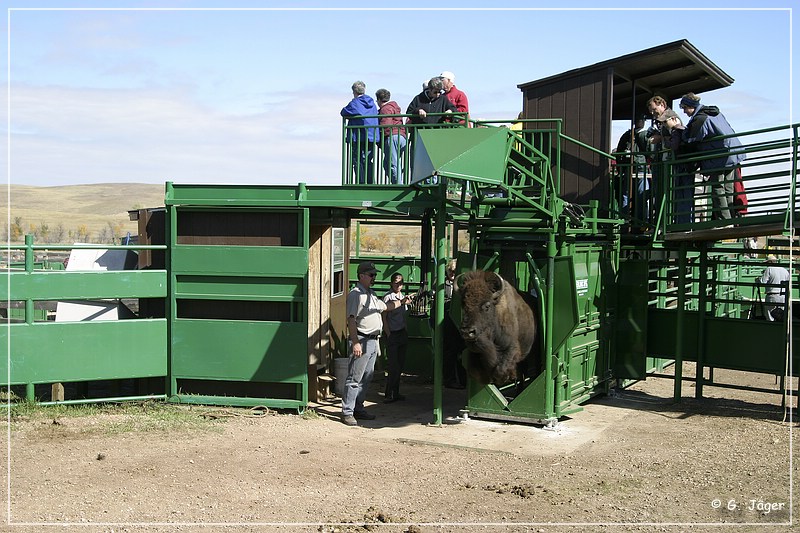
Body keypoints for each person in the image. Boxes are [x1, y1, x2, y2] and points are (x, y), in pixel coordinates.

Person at [342, 261, 412, 426]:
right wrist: (356, 342)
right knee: (355, 377)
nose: (374, 277)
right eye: (371, 275)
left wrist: (402, 302)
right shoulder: (355, 295)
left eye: (375, 274)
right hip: (363, 339)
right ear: (362, 276)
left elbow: (386, 307)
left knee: (366, 377)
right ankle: (347, 412)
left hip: (372, 341)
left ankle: (358, 408)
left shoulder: (371, 294)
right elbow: (351, 320)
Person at [678, 92, 746, 222]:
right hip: (732, 153)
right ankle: (730, 219)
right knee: (728, 187)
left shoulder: (700, 118)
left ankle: (723, 220)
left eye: (685, 108)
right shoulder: (715, 113)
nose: (684, 112)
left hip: (719, 156)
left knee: (717, 187)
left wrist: (681, 130)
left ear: (691, 106)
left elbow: (691, 139)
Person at [657, 108, 692, 224]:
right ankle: (684, 222)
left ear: (673, 119)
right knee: (684, 196)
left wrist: (664, 141)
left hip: (682, 166)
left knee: (681, 195)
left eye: (665, 122)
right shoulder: (683, 130)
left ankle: (681, 222)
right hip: (687, 166)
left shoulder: (677, 131)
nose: (664, 125)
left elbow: (673, 146)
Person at [341, 81, 379, 184]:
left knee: (357, 160)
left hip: (357, 137)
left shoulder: (355, 103)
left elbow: (343, 112)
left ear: (354, 91)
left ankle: (361, 182)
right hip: (371, 136)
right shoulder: (372, 103)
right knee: (368, 160)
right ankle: (371, 181)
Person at [614, 114, 650, 219]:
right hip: (639, 167)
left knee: (629, 194)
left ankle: (627, 219)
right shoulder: (645, 134)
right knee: (640, 195)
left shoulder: (628, 135)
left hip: (632, 167)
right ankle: (640, 220)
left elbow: (619, 151)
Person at [382, 272, 410, 403]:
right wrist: (388, 333)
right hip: (392, 333)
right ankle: (389, 393)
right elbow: (384, 317)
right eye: (396, 282)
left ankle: (396, 392)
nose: (398, 285)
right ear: (391, 283)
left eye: (400, 283)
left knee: (400, 364)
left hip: (401, 332)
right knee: (393, 366)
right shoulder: (388, 297)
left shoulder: (402, 296)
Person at [442, 258, 466, 389]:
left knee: (462, 352)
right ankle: (449, 379)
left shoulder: (463, 283)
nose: (452, 273)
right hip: (447, 324)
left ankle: (463, 380)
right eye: (450, 271)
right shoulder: (441, 284)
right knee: (449, 352)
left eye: (454, 271)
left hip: (460, 323)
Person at [375, 88, 407, 185]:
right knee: (389, 163)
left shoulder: (385, 109)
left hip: (392, 136)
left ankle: (398, 185)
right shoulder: (395, 107)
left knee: (392, 163)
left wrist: (380, 138)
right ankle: (397, 182)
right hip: (401, 136)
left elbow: (386, 126)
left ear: (379, 100)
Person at [757, 255, 790, 322]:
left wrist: (757, 280)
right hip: (783, 296)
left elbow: (762, 282)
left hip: (772, 295)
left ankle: (770, 329)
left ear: (770, 262)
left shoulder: (769, 269)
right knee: (781, 315)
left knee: (769, 315)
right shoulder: (784, 270)